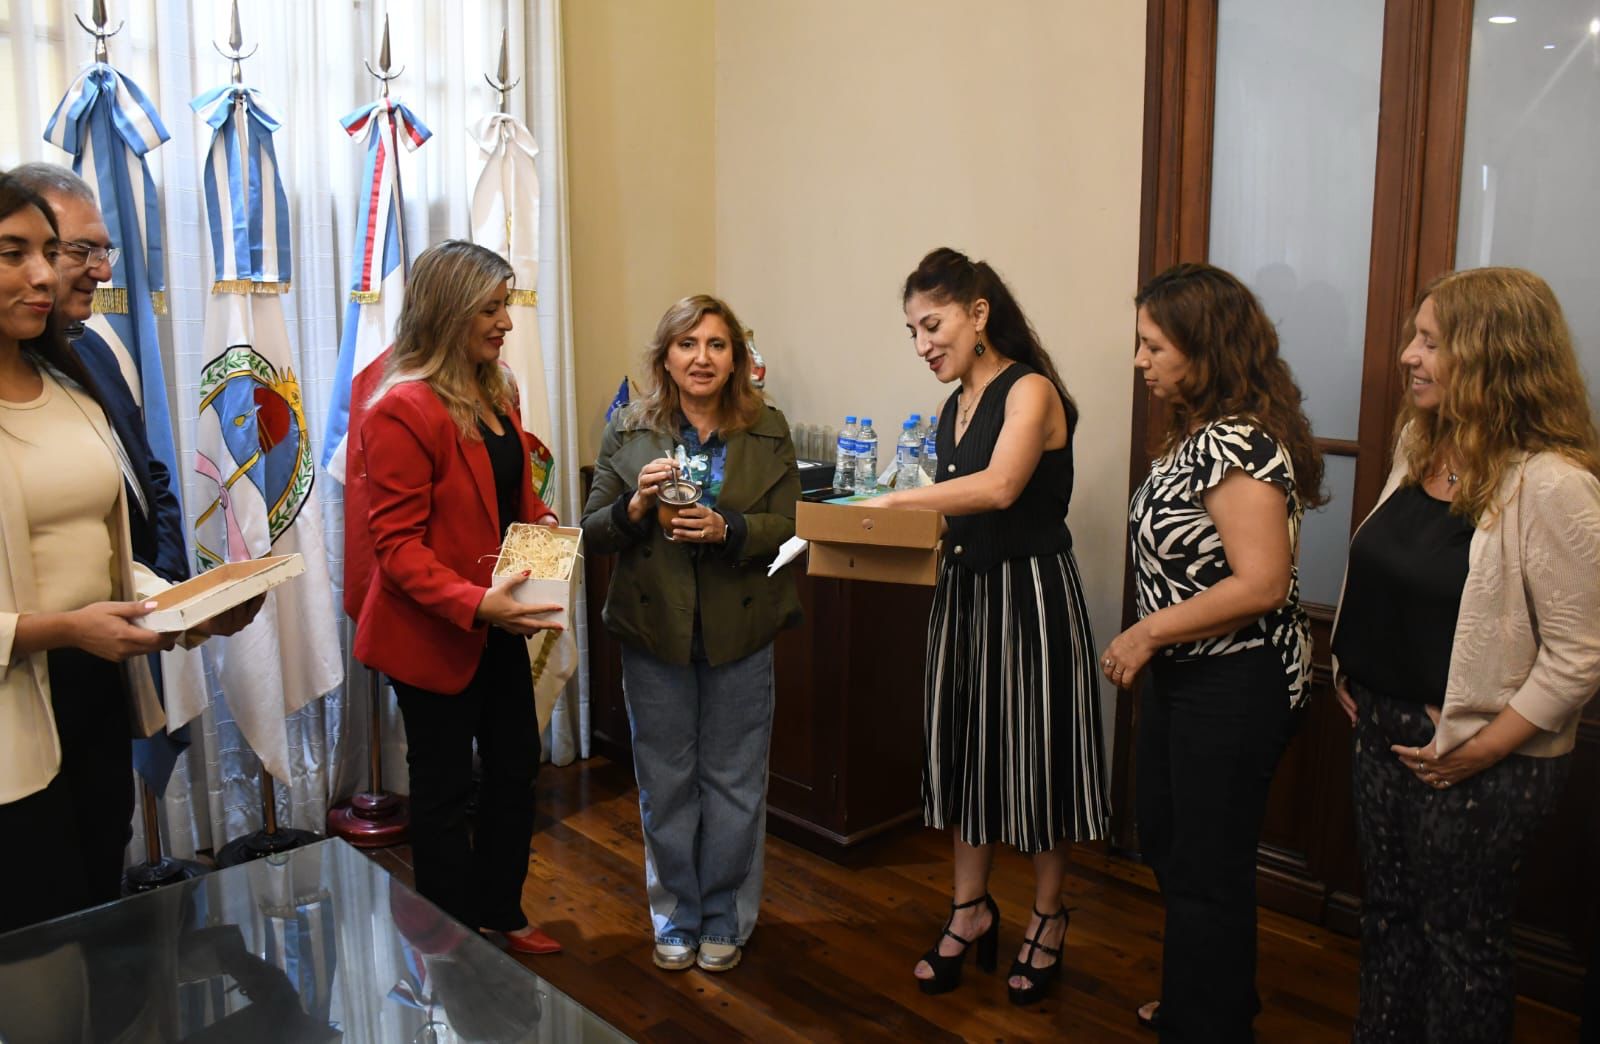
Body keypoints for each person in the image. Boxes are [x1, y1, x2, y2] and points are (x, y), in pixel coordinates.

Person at [1330, 267, 1600, 1043]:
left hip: (1484, 759)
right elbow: (1387, 568)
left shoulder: (1552, 484)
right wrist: (1354, 670)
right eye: (1415, 336)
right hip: (1383, 733)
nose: (1407, 356)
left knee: (1461, 946)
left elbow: (1579, 657)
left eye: (1430, 342)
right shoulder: (1423, 443)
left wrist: (1477, 749)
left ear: (1492, 358)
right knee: (1387, 921)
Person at [0, 174, 255, 934]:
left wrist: (188, 604)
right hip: (15, 719)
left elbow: (116, 538)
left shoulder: (72, 379)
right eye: (15, 253)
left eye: (53, 252)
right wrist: (63, 629)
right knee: (33, 952)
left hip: (96, 695)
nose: (46, 275)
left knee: (94, 917)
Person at [873, 247, 1109, 1007]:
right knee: (964, 752)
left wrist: (889, 507)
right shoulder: (953, 407)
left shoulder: (1030, 389)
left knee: (1035, 759)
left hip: (1030, 595)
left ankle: (1049, 915)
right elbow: (951, 504)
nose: (922, 344)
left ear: (979, 313)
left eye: (932, 324)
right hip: (966, 595)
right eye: (912, 330)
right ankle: (969, 909)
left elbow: (1002, 487)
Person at [1101, 262, 1325, 1039]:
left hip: (1235, 681)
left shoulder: (1238, 441)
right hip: (1188, 674)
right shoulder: (1196, 429)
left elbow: (1263, 582)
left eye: (1153, 346)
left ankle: (1207, 1022)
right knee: (1171, 842)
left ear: (1206, 347)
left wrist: (1148, 630)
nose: (1141, 361)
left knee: (1207, 865)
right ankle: (1212, 997)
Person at [353, 240, 565, 956]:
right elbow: (397, 548)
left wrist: (543, 532)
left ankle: (502, 910)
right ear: (448, 313)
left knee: (513, 770)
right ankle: (453, 938)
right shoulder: (401, 408)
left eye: (506, 305)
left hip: (499, 618)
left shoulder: (496, 386)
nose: (506, 321)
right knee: (441, 795)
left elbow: (516, 494)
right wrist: (479, 604)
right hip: (434, 632)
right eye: (492, 307)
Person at [580, 293, 800, 973]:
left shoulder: (769, 429)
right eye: (687, 344)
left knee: (735, 781)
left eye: (716, 344)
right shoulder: (629, 430)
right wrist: (639, 503)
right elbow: (590, 533)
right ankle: (674, 914)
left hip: (741, 631)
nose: (702, 358)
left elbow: (794, 525)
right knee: (666, 781)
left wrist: (729, 527)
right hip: (655, 635)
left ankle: (727, 915)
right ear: (666, 356)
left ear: (738, 357)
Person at [7, 163, 186, 583]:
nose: (104, 271)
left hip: (134, 615)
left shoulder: (92, 350)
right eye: (79, 251)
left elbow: (147, 475)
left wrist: (169, 582)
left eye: (105, 251)